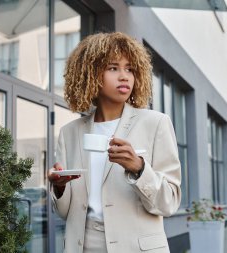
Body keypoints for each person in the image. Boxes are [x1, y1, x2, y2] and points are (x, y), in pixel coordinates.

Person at [48, 32, 181, 253]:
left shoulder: (155, 123)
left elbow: (169, 203)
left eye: (129, 68)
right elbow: (65, 212)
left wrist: (139, 168)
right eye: (113, 68)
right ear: (90, 73)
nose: (124, 76)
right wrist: (59, 188)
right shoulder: (69, 133)